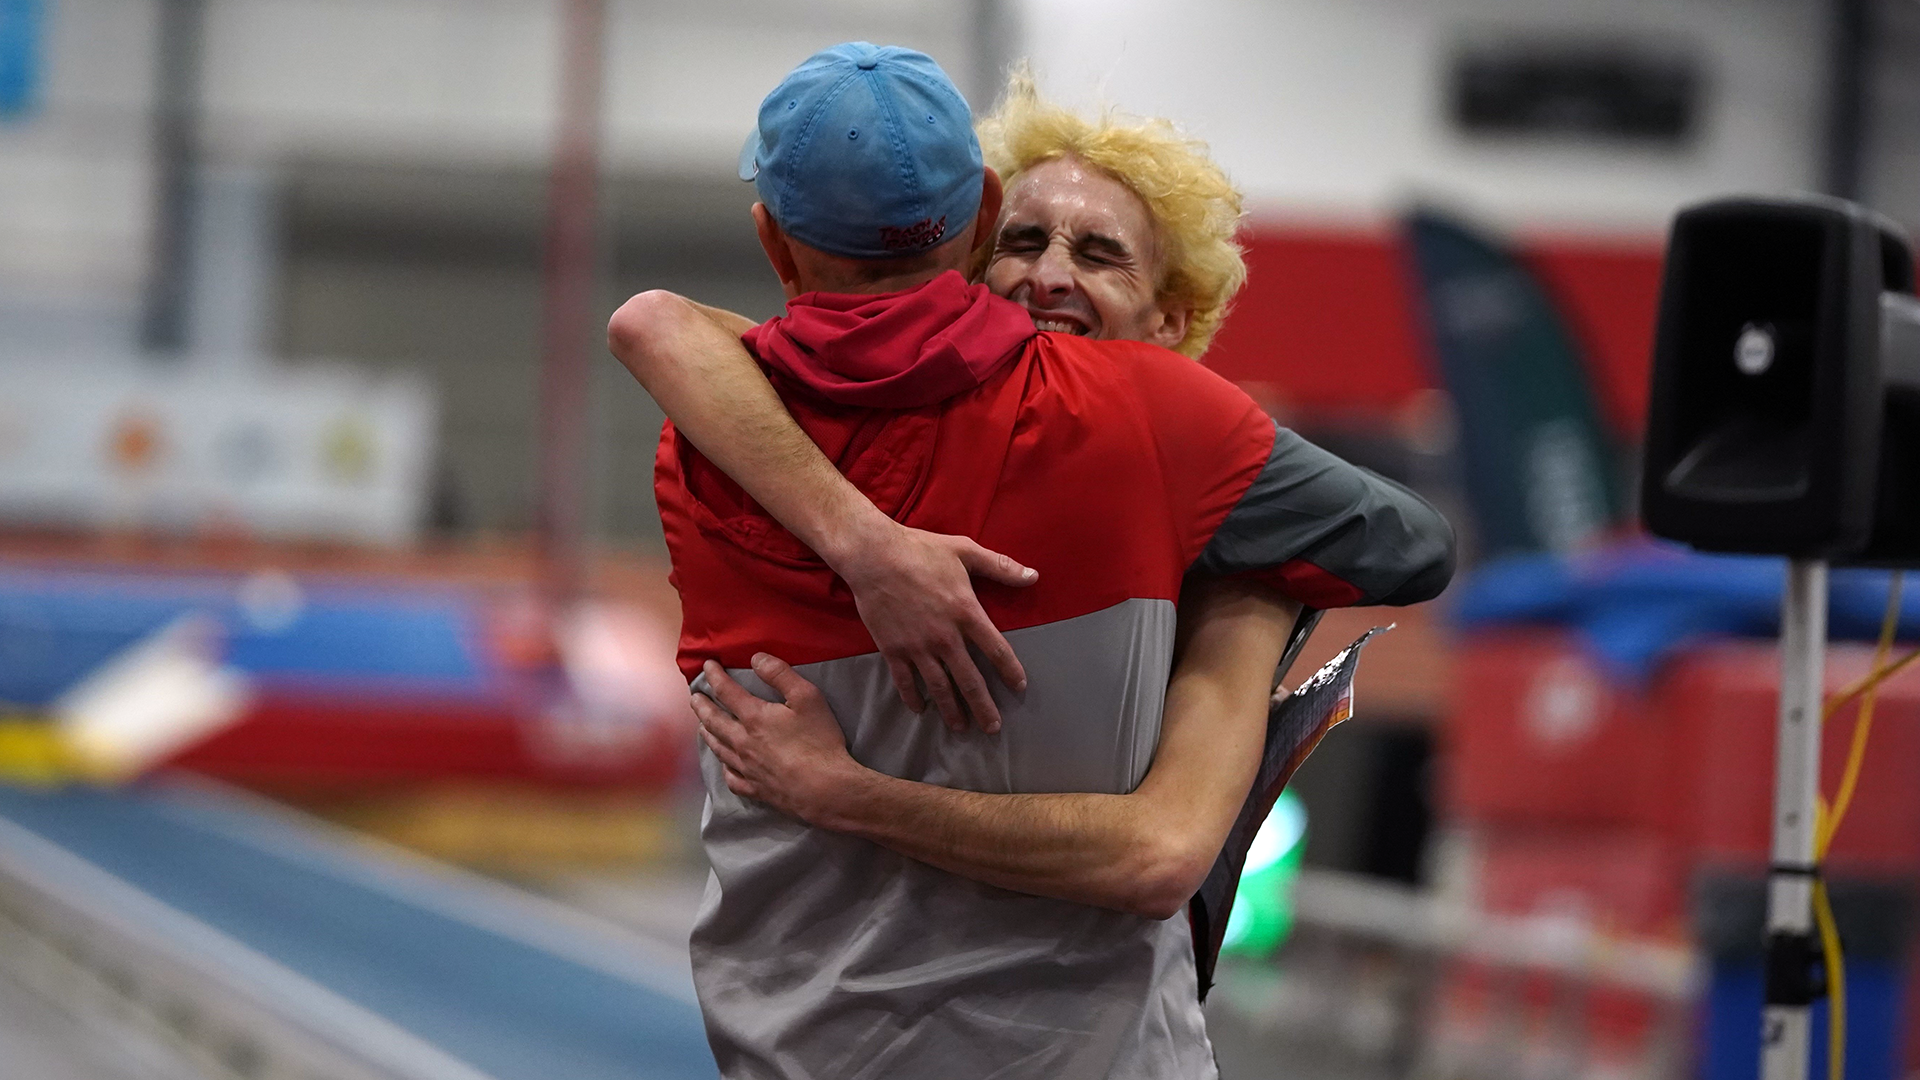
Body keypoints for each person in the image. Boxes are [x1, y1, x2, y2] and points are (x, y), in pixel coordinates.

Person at [609, 44, 1453, 1079]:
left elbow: (656, 325)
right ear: (976, 230)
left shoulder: (709, 441)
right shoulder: (1160, 426)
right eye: (1025, 239)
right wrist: (1256, 574)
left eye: (1100, 255)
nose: (1051, 275)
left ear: (772, 241)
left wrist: (860, 566)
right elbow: (1411, 546)